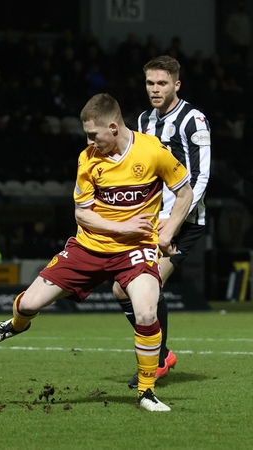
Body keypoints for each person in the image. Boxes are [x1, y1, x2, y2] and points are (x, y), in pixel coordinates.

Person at [0, 93, 194, 413]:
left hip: (135, 250)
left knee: (147, 313)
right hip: (88, 248)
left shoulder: (153, 151)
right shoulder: (88, 159)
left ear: (114, 126)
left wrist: (167, 231)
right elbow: (82, 214)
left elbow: (185, 192)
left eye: (94, 134)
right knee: (29, 303)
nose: (89, 141)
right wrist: (122, 227)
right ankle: (16, 325)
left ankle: (146, 392)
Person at [113, 55, 212, 389]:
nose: (155, 89)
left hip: (184, 223)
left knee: (145, 287)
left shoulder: (193, 120)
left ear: (176, 85)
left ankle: (155, 362)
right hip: (152, 221)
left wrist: (173, 221)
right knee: (120, 289)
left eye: (162, 83)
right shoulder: (143, 120)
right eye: (150, 83)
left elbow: (200, 177)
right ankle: (163, 353)